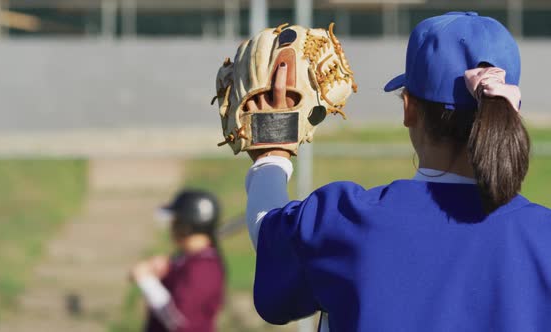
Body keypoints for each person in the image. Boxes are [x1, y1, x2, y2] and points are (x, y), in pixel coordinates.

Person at [243, 12, 551, 331]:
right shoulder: (544, 237)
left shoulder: (347, 221)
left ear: (409, 108)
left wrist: (271, 153)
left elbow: (267, 230)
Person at [131, 189, 225, 332]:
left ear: (186, 226)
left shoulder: (204, 269)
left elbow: (179, 320)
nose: (171, 227)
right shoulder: (188, 260)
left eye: (175, 221)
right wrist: (168, 270)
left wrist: (146, 281)